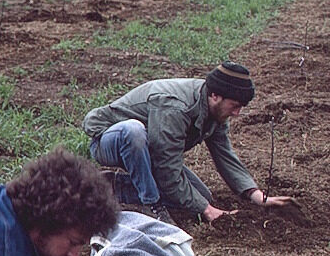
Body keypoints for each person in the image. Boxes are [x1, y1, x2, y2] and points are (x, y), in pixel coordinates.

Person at [82, 60, 292, 224]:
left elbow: (224, 155)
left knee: (202, 196)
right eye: (235, 106)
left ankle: (109, 185)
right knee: (134, 131)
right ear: (215, 96)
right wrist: (207, 211)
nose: (237, 113)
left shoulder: (215, 110)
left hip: (149, 149)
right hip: (110, 140)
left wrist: (255, 195)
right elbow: (166, 170)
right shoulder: (176, 107)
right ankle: (152, 204)